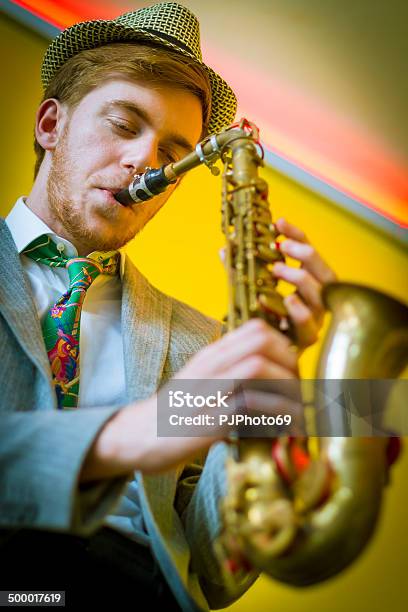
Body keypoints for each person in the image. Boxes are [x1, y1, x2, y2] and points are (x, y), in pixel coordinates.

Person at [0, 2, 337, 610]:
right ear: (50, 124)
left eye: (173, 154)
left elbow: (218, 570)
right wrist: (136, 433)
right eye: (124, 125)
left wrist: (275, 385)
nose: (145, 165)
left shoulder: (203, 342)